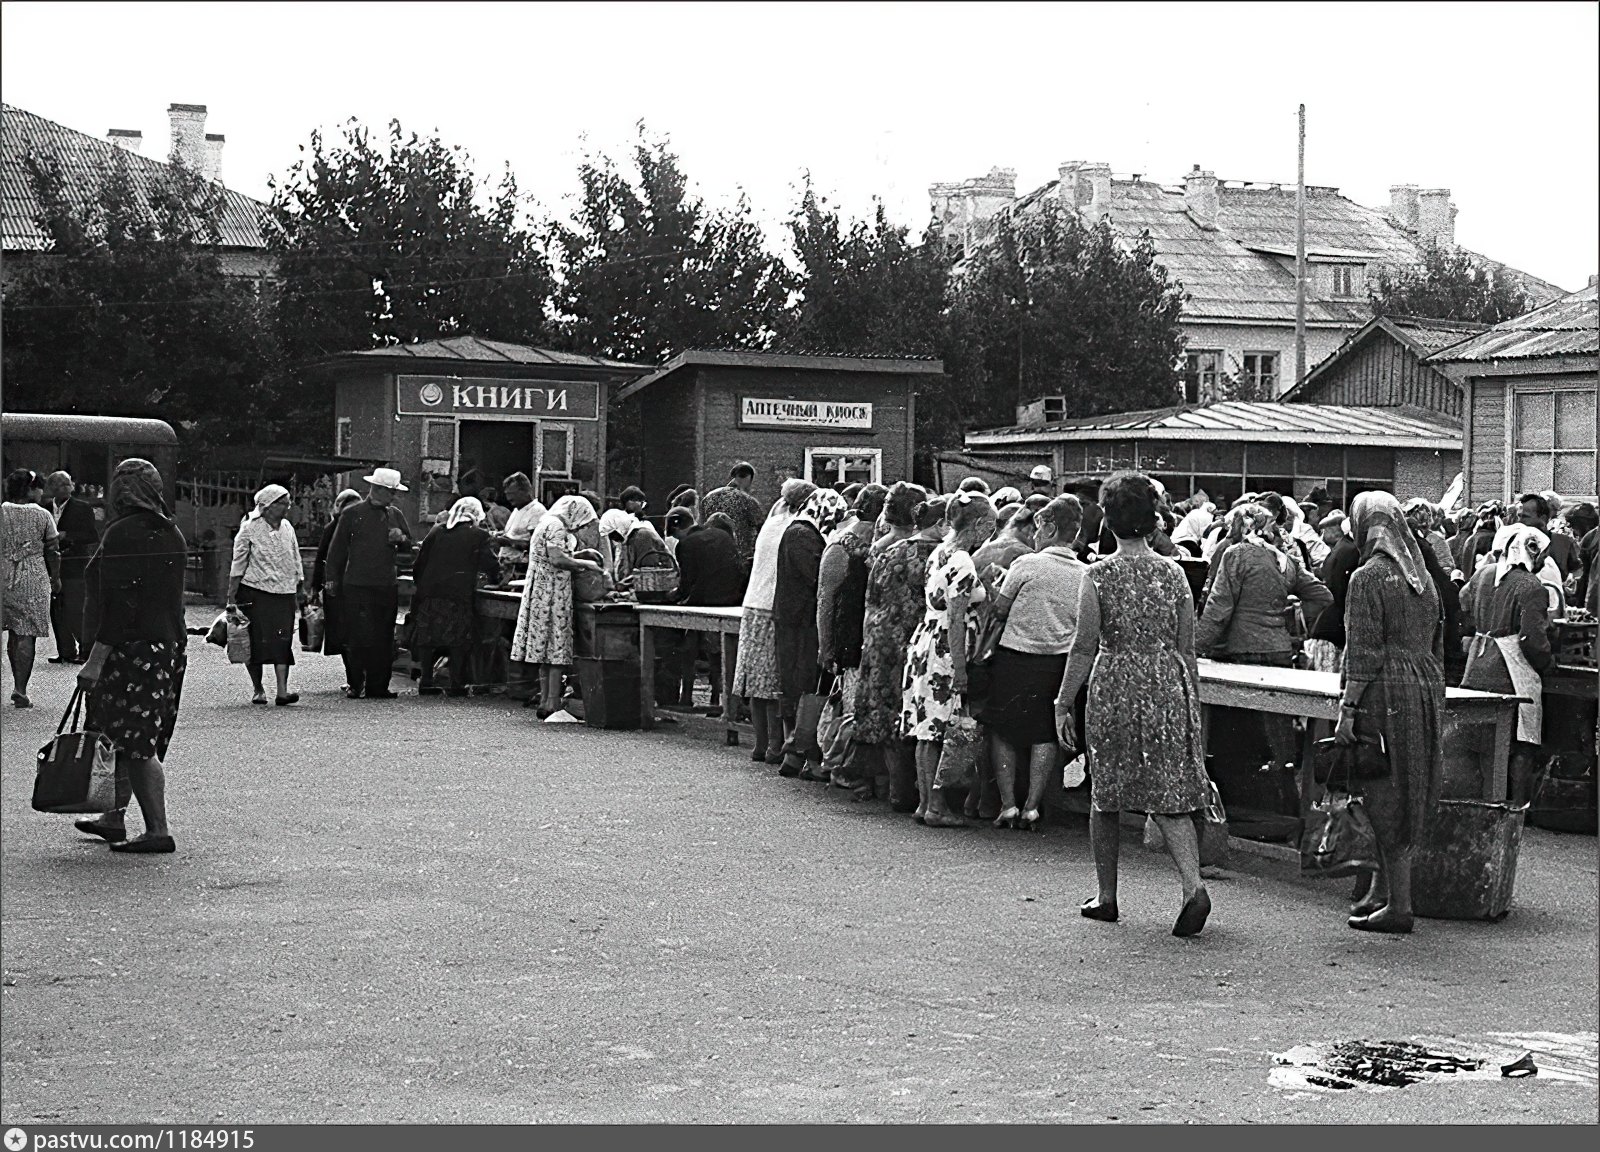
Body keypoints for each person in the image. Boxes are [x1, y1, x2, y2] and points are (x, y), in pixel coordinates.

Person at [1057, 471, 1211, 937]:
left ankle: (1107, 896)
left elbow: (1084, 646)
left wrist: (1064, 701)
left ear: (1108, 518)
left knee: (1105, 793)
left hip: (1116, 683)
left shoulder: (1098, 575)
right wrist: (1193, 703)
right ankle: (1192, 885)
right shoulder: (1175, 573)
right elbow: (1187, 648)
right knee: (1169, 789)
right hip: (1167, 682)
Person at [1335, 492, 1446, 934]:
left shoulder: (1368, 577)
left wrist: (1347, 710)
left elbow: (1363, 653)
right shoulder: (1422, 578)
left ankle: (1399, 905)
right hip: (1422, 687)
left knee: (1382, 792)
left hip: (1384, 692)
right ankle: (1382, 894)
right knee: (1410, 786)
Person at [72, 459, 188, 854]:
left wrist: (95, 659)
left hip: (130, 649)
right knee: (124, 737)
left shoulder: (121, 533)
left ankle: (158, 831)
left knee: (136, 743)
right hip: (166, 646)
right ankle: (113, 817)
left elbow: (120, 605)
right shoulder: (171, 531)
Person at [1196, 503, 1332, 806]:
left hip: (1242, 653)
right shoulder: (1285, 559)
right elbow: (1323, 595)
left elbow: (1219, 609)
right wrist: (1287, 613)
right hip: (1279, 651)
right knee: (1278, 732)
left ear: (1241, 526)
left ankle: (1244, 804)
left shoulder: (1235, 555)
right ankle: (1283, 800)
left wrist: (1196, 648)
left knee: (1240, 735)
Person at [980, 495, 1087, 832]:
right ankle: (1032, 807)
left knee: (1004, 730)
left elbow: (999, 609)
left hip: (1014, 656)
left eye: (1040, 526)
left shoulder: (1026, 565)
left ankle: (1008, 804)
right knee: (1045, 733)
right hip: (1057, 661)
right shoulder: (1085, 573)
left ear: (1051, 527)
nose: (1035, 534)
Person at [901, 491, 996, 826]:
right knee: (942, 726)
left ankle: (926, 801)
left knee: (925, 727)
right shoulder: (964, 563)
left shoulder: (941, 551)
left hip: (925, 639)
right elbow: (956, 618)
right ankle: (937, 805)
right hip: (944, 647)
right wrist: (960, 668)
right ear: (981, 524)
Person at [852, 484, 933, 810]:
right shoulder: (926, 551)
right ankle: (904, 790)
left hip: (878, 635)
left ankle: (883, 785)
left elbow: (870, 599)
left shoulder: (881, 549)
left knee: (882, 711)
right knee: (906, 711)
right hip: (910, 638)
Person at [1460, 524, 1552, 803]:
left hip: (1477, 663)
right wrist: (1547, 661)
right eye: (1543, 554)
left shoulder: (1485, 573)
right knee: (1520, 743)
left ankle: (1483, 801)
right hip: (1510, 670)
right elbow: (1532, 640)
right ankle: (1515, 807)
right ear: (1530, 551)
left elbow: (1463, 600)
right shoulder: (1532, 586)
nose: (1545, 561)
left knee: (1482, 743)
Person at [732, 479, 816, 765]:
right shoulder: (795, 527)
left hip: (753, 603)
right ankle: (776, 746)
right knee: (774, 681)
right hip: (773, 606)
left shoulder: (772, 522)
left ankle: (761, 744)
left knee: (756, 682)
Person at [816, 484, 888, 797]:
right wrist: (825, 646)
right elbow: (826, 599)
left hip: (854, 638)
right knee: (854, 707)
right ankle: (849, 769)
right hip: (857, 638)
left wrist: (826, 644)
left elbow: (825, 600)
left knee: (854, 706)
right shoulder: (844, 545)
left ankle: (852, 771)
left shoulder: (840, 545)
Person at [775, 488, 850, 779]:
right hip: (802, 621)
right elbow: (818, 577)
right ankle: (804, 754)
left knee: (807, 685)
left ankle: (796, 755)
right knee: (812, 685)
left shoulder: (797, 531)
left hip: (794, 618)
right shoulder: (803, 535)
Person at [324, 468, 415, 700]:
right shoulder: (352, 513)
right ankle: (356, 683)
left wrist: (402, 539)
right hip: (356, 583)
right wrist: (331, 578)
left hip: (386, 583)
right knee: (358, 635)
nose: (394, 497)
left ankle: (378, 686)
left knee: (384, 636)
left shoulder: (395, 514)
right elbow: (336, 549)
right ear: (379, 489)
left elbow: (410, 546)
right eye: (392, 492)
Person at [510, 494, 603, 718]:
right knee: (556, 648)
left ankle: (545, 699)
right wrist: (586, 564)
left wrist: (579, 555)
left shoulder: (546, 522)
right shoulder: (557, 527)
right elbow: (557, 559)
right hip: (552, 594)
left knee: (544, 650)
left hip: (541, 591)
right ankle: (552, 702)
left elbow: (555, 553)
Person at [410, 496, 502, 697]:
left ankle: (426, 680)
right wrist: (498, 578)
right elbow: (491, 564)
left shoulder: (436, 531)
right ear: (476, 515)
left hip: (430, 591)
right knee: (458, 639)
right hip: (458, 593)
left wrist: (421, 585)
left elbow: (419, 563)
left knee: (428, 637)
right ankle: (456, 684)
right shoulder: (479, 535)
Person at [227, 484, 306, 706]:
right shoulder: (250, 528)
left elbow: (295, 555)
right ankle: (258, 689)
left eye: (288, 503)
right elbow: (238, 563)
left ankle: (282, 691)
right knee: (254, 640)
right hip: (255, 591)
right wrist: (231, 596)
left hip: (284, 592)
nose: (287, 508)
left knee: (283, 640)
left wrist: (300, 583)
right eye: (282, 503)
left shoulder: (287, 527)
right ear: (267, 506)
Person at [665, 505, 748, 713]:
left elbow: (687, 583)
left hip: (704, 603)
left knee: (689, 646)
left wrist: (672, 596)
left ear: (678, 530)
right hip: (733, 601)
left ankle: (685, 697)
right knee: (718, 654)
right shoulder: (721, 534)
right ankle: (716, 699)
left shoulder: (686, 544)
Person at [2, 469, 61, 708]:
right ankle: (20, 688)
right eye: (38, 487)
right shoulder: (43, 515)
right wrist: (56, 578)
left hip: (3, 574)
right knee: (25, 634)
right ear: (29, 489)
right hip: (33, 579)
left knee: (11, 632)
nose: (41, 492)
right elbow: (53, 551)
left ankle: (17, 684)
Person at [44, 471, 99, 664]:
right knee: (56, 609)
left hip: (75, 565)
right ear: (52, 488)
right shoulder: (44, 508)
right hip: (51, 565)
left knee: (76, 608)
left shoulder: (82, 507)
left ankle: (85, 650)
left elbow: (92, 536)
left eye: (68, 484)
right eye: (61, 485)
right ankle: (65, 650)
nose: (66, 488)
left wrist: (68, 536)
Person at [311, 488, 363, 692]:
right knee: (347, 634)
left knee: (345, 634)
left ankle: (354, 678)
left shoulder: (333, 527)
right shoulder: (334, 528)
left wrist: (316, 587)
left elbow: (320, 559)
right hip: (340, 587)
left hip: (339, 588)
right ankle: (355, 678)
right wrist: (316, 587)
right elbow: (322, 559)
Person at [1304, 511, 1360, 674]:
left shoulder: (1344, 547)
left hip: (1329, 627)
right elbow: (1340, 590)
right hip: (1335, 631)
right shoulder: (1351, 551)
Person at [701, 462, 766, 564]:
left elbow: (701, 523)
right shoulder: (748, 501)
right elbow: (761, 528)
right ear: (749, 478)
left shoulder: (709, 497)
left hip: (710, 551)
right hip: (738, 555)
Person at [488, 473, 546, 578]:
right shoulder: (516, 509)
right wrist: (498, 535)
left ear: (525, 491)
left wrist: (506, 541)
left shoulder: (537, 511)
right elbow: (514, 534)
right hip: (507, 567)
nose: (509, 498)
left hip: (521, 570)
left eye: (512, 493)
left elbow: (536, 545)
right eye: (507, 494)